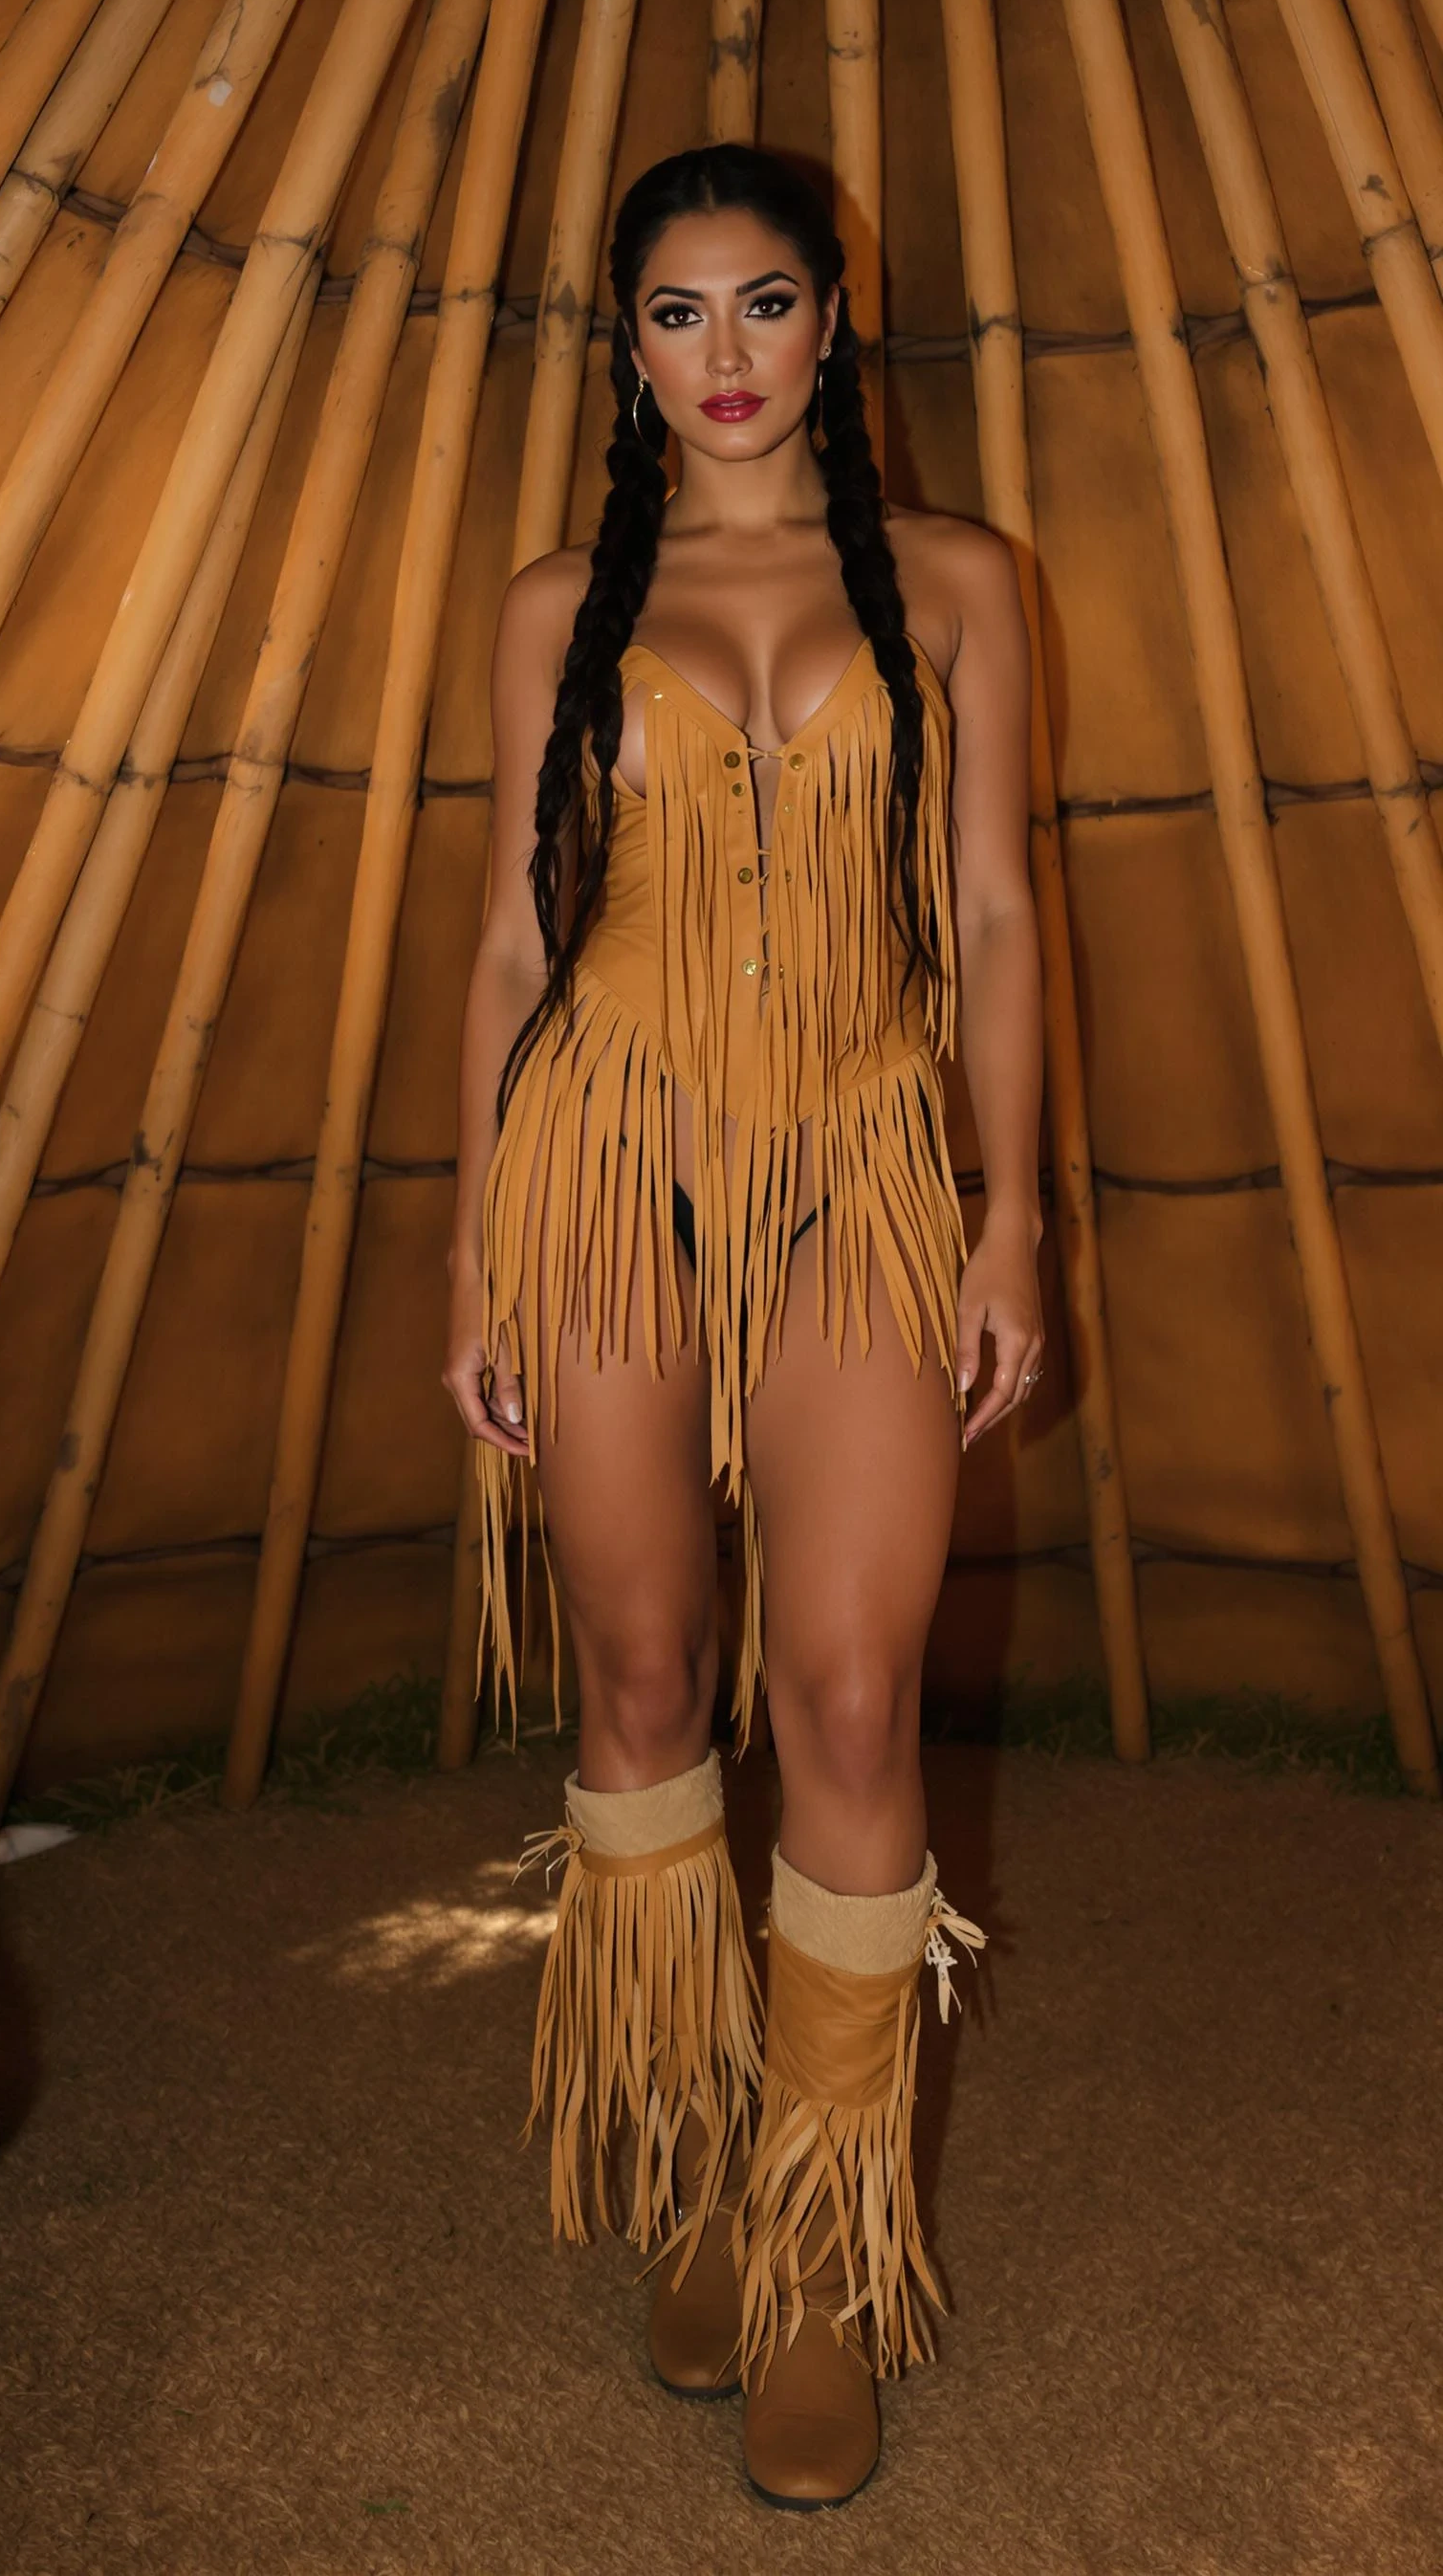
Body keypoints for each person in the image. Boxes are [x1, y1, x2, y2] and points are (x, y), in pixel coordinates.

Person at [444, 143, 1043, 2511]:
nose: (724, 358)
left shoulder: (969, 587)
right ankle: (705, 2164)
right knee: (639, 1679)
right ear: (626, 350)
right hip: (604, 1149)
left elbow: (993, 907)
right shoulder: (556, 601)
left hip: (865, 1162)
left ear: (830, 325)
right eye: (675, 316)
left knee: (856, 1686)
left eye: (764, 304)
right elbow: (508, 936)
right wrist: (467, 1243)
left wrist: (1018, 1229)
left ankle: (822, 2250)